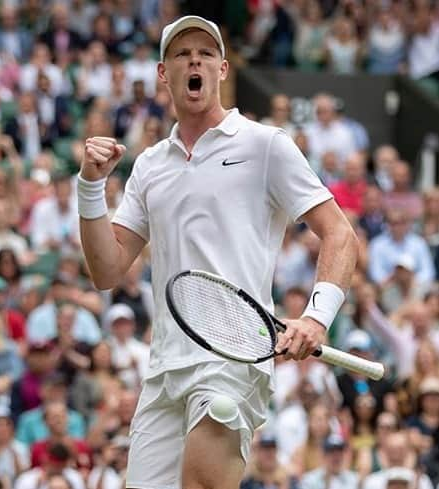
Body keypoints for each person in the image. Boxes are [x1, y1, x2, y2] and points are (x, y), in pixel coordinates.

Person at [77, 15, 358, 489]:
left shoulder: (265, 144)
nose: (195, 62)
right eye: (183, 54)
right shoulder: (149, 166)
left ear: (223, 70)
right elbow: (106, 269)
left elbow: (340, 234)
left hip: (232, 358)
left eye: (206, 54)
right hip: (165, 367)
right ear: (164, 73)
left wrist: (316, 316)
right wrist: (89, 187)